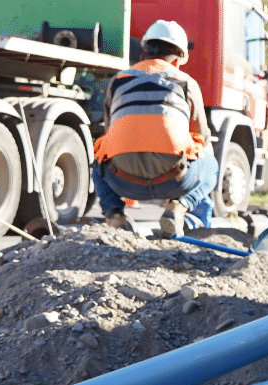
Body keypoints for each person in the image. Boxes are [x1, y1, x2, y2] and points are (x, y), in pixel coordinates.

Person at [91, 19, 217, 236]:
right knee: (210, 163)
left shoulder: (118, 81)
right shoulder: (185, 81)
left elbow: (110, 132)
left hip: (123, 181)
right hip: (173, 180)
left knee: (99, 158)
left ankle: (114, 215)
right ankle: (180, 207)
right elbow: (201, 137)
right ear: (177, 60)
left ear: (143, 53)